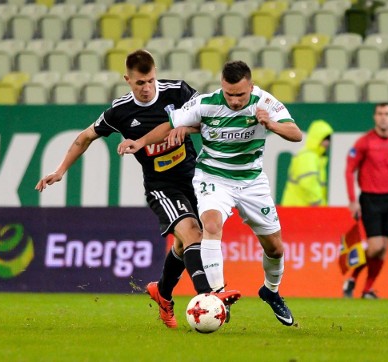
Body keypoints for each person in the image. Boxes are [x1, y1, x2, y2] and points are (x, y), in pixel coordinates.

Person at [35, 49, 239, 329]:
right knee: (193, 232)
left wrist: (186, 128)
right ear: (128, 80)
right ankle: (210, 296)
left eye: (151, 81)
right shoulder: (120, 111)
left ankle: (162, 293)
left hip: (194, 177)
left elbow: (209, 117)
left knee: (183, 243)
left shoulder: (178, 91)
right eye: (140, 83)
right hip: (162, 186)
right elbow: (84, 138)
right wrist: (60, 171)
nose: (146, 88)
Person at [117, 60, 303, 326]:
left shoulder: (265, 102)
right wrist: (141, 142)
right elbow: (169, 125)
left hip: (251, 181)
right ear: (222, 88)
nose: (235, 100)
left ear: (251, 86)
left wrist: (271, 124)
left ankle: (270, 292)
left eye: (240, 94)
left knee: (275, 248)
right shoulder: (205, 103)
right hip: (213, 177)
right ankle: (216, 295)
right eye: (229, 94)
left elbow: (296, 134)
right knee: (211, 224)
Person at [343, 103, 388, 299]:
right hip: (369, 199)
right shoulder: (364, 142)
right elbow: (349, 170)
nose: (384, 117)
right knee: (375, 247)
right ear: (375, 117)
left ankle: (367, 289)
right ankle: (352, 277)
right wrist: (352, 200)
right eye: (380, 114)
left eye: (387, 114)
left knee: (383, 250)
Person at [281, 119, 333, 206]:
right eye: (325, 138)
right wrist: (318, 203)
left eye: (329, 139)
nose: (327, 142)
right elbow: (308, 182)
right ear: (317, 138)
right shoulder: (308, 156)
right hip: (299, 209)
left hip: (301, 208)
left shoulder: (315, 156)